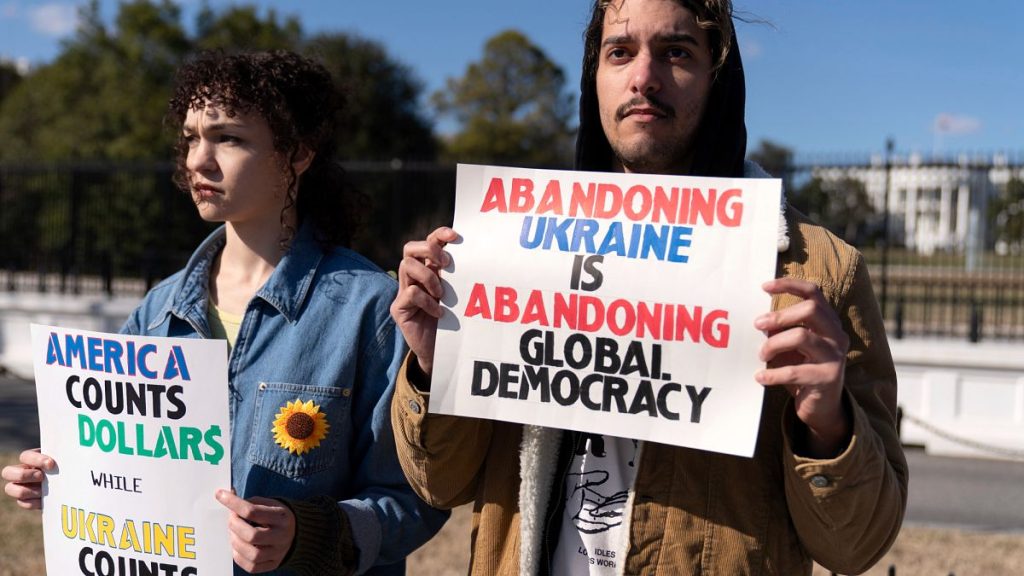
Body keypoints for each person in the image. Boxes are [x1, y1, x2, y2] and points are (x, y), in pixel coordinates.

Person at [389, 1, 908, 574]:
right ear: (596, 76)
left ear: (719, 76)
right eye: (620, 52)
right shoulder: (508, 249)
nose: (643, 77)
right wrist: (437, 370)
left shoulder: (816, 273)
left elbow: (856, 547)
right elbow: (438, 483)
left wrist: (828, 426)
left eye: (676, 53)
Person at [1, 50, 447, 575]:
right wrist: (62, 480)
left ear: (298, 154)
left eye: (228, 138)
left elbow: (418, 496)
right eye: (191, 137)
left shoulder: (370, 310)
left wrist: (311, 532)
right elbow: (126, 478)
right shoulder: (157, 312)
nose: (197, 160)